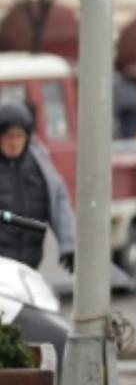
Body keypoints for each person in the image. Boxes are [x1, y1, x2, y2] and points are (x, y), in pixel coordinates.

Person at [0, 103, 76, 271]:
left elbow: (59, 200)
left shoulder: (40, 164)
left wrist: (70, 245)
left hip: (30, 266)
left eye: (19, 136)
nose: (13, 143)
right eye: (8, 136)